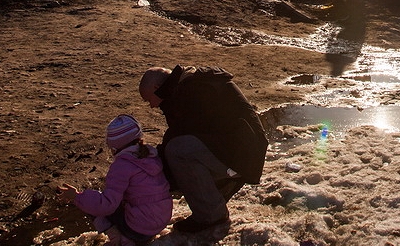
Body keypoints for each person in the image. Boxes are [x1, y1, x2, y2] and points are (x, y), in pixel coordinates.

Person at [139, 66, 268, 238]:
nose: (151, 106)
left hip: (243, 156)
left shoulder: (190, 91)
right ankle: (219, 191)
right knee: (179, 151)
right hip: (244, 152)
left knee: (178, 150)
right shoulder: (189, 84)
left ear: (157, 88)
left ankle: (211, 215)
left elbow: (181, 135)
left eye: (149, 100)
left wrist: (149, 164)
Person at [59, 114, 172, 246]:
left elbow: (106, 205)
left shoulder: (121, 166)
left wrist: (76, 196)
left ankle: (119, 238)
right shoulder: (151, 155)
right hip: (161, 220)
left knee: (91, 202)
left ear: (113, 147)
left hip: (140, 229)